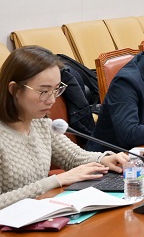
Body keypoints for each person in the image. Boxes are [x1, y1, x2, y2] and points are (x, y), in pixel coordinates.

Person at [0, 46, 129, 209]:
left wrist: (103, 159)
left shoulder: (41, 123)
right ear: (14, 89)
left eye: (56, 90)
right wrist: (55, 181)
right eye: (44, 91)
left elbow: (73, 157)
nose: (52, 100)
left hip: (40, 213)